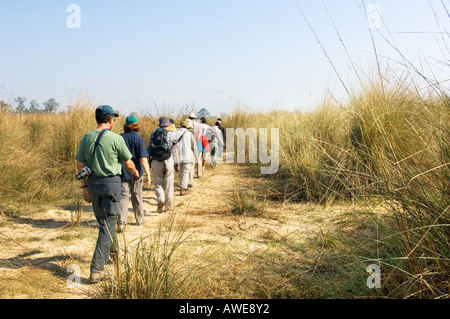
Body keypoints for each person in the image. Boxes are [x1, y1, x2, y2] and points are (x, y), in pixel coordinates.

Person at [75, 105, 139, 283]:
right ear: (111, 120)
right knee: (107, 223)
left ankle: (115, 254)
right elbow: (128, 162)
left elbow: (80, 165)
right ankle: (96, 269)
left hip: (93, 184)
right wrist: (135, 173)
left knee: (105, 222)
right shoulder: (115, 138)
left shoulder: (86, 137)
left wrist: (84, 187)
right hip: (110, 184)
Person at [118, 115, 151, 231]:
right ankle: (139, 219)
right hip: (136, 173)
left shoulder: (119, 138)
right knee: (137, 196)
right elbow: (142, 158)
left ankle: (122, 221)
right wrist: (148, 174)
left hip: (122, 172)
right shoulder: (139, 139)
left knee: (123, 197)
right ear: (136, 125)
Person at [148, 116, 179, 213]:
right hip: (168, 161)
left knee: (158, 183)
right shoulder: (172, 134)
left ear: (160, 124)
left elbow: (150, 147)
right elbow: (175, 149)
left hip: (156, 161)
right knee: (169, 183)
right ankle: (169, 205)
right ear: (168, 125)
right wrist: (177, 162)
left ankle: (160, 199)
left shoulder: (153, 133)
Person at [175, 120, 198, 195]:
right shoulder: (189, 134)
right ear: (186, 127)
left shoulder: (175, 133)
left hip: (178, 156)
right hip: (187, 156)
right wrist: (196, 157)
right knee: (185, 172)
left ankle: (183, 185)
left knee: (181, 172)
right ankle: (183, 188)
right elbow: (194, 146)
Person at [188, 112, 203, 178]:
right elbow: (200, 134)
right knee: (198, 159)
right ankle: (199, 173)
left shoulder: (187, 125)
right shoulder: (198, 125)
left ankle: (192, 173)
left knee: (192, 159)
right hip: (198, 142)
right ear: (194, 118)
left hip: (190, 143)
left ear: (189, 118)